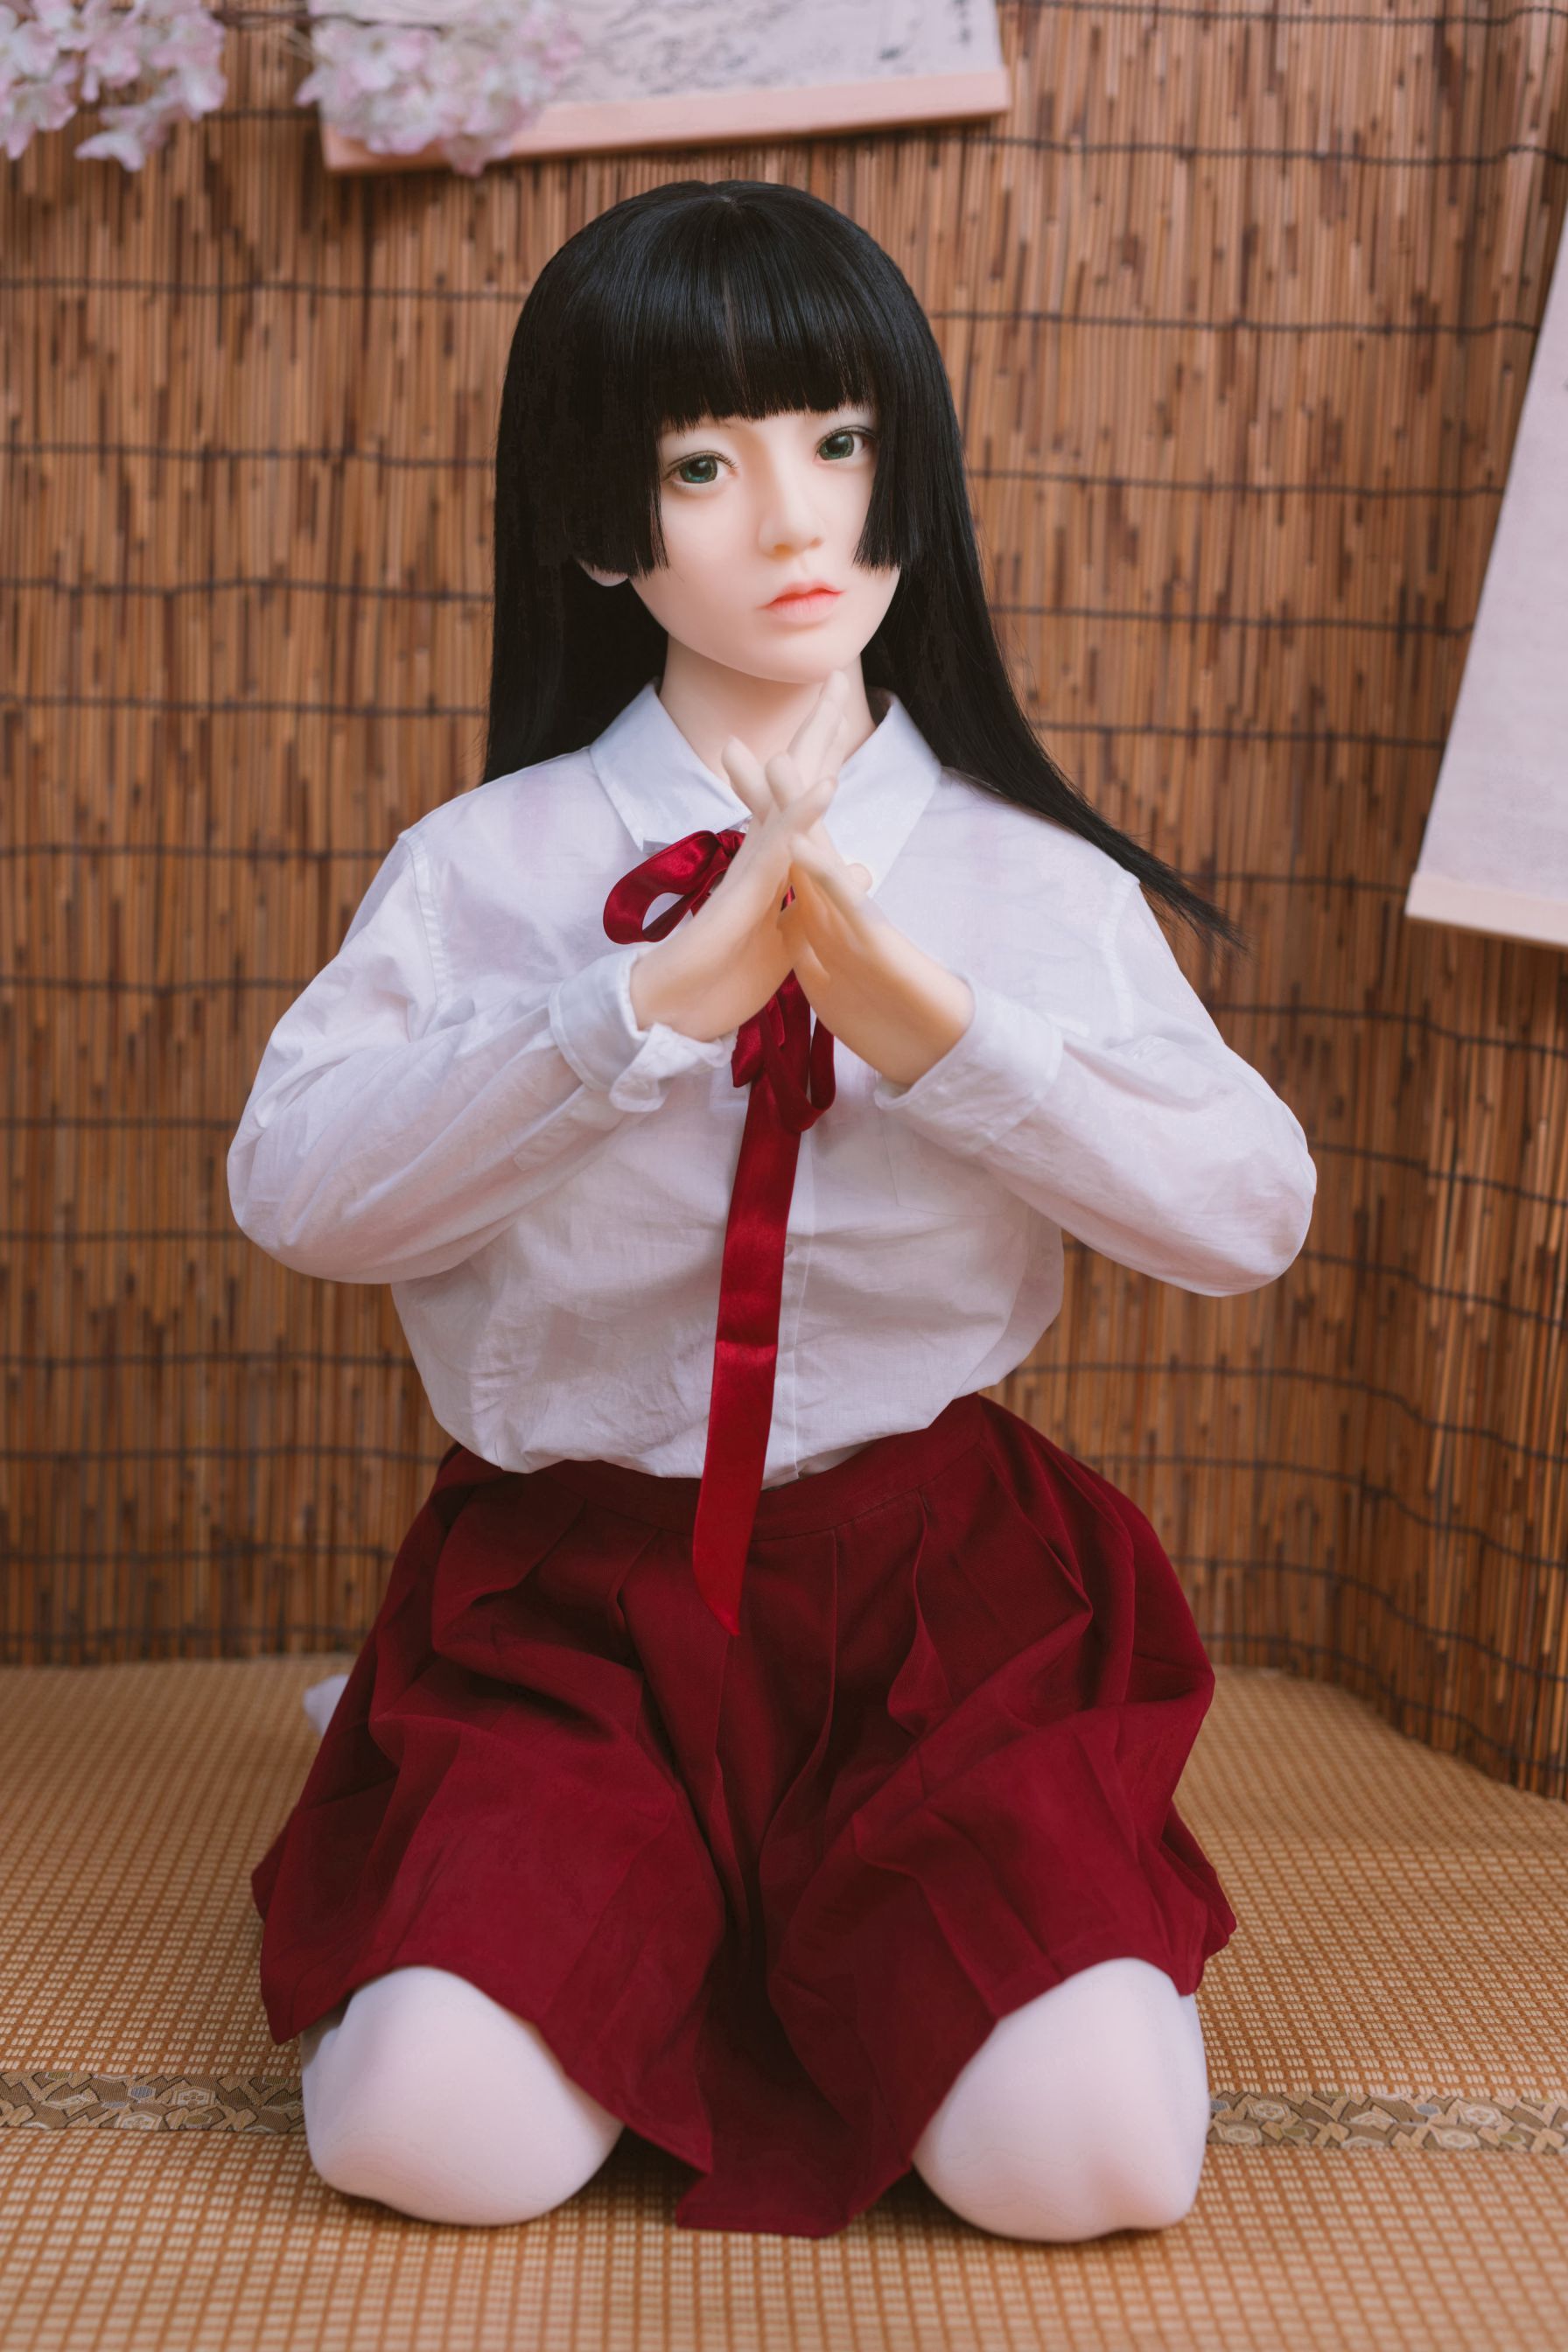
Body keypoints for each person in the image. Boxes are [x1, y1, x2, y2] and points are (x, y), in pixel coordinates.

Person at [230, 178, 1316, 2244]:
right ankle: (524, 1871)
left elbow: (1244, 1214)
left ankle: (960, 1953)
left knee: (1087, 2167)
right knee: (425, 2146)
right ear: (595, 521)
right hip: (572, 1601)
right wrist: (628, 1014)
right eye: (699, 466)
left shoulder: (1026, 880)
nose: (794, 520)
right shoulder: (486, 867)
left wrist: (941, 1032)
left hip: (931, 1607)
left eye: (837, 440)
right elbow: (297, 1192)